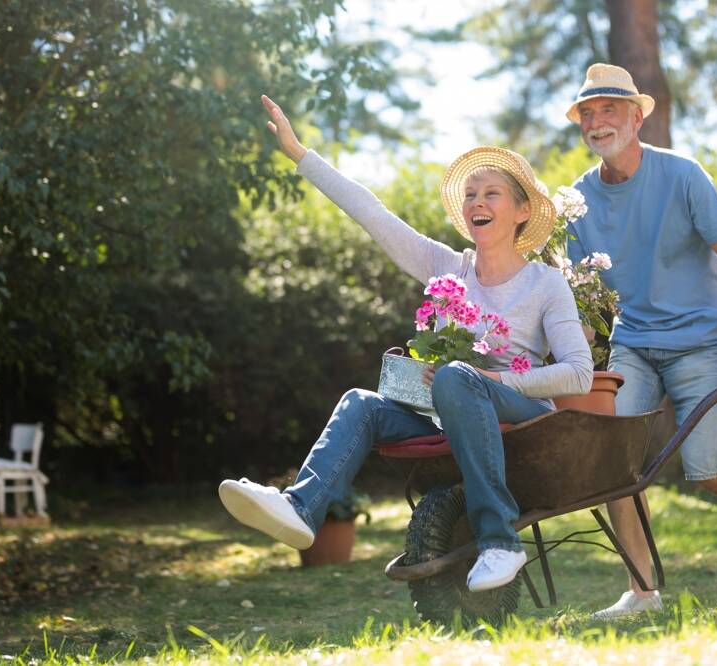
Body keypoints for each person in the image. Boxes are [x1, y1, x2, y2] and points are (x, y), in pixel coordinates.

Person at [218, 94, 593, 592]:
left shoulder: (545, 283)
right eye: (471, 193)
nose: (477, 201)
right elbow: (373, 214)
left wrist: (494, 378)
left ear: (523, 211)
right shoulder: (449, 267)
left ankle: (500, 542)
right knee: (361, 404)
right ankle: (300, 509)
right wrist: (299, 155)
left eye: (492, 193)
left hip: (520, 414)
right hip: (445, 410)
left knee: (460, 376)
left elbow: (579, 373)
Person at [563, 64, 717, 618]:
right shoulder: (576, 201)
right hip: (634, 342)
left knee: (706, 466)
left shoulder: (683, 175)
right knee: (614, 463)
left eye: (609, 110)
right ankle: (643, 592)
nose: (597, 122)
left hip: (704, 338)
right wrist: (575, 359)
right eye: (588, 113)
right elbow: (583, 297)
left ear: (637, 117)